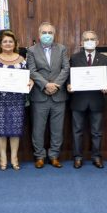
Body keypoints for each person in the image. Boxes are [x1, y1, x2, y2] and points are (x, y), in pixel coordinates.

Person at [26, 22, 70, 168]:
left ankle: (54, 156)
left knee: (57, 129)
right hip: (40, 95)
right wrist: (45, 84)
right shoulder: (31, 50)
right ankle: (39, 156)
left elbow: (66, 68)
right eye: (44, 32)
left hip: (59, 96)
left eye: (50, 32)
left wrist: (55, 85)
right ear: (39, 35)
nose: (47, 35)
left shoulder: (62, 48)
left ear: (54, 34)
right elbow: (32, 70)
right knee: (38, 129)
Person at [0, 30, 33, 170]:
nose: (8, 44)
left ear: (15, 44)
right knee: (1, 129)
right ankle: (3, 157)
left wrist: (30, 81)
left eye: (10, 41)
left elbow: (28, 77)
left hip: (17, 99)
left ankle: (14, 157)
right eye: (5, 41)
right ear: (1, 44)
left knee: (15, 129)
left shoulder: (22, 60)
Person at [67, 30, 107, 169]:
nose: (89, 41)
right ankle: (77, 157)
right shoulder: (74, 57)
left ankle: (96, 157)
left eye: (92, 39)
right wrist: (68, 85)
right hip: (78, 100)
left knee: (97, 132)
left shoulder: (104, 59)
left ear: (97, 42)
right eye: (86, 39)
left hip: (96, 100)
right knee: (77, 131)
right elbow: (69, 77)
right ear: (81, 42)